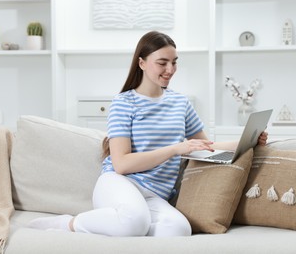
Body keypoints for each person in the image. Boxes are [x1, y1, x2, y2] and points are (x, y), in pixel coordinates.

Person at [28, 31, 268, 237]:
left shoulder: (180, 103)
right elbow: (121, 164)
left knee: (178, 229)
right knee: (135, 220)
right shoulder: (124, 103)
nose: (170, 69)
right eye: (162, 62)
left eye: (174, 62)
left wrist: (248, 141)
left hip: (156, 195)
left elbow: (205, 147)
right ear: (141, 63)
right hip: (119, 183)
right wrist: (175, 148)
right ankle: (69, 223)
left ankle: (122, 227)